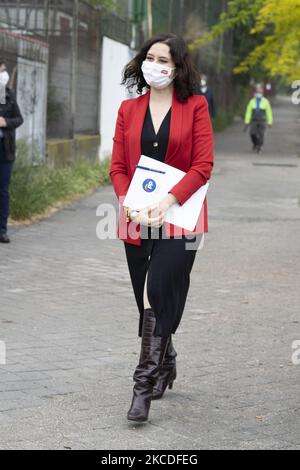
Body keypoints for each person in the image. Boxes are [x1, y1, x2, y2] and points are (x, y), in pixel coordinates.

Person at [109, 33, 214, 423]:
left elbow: (203, 165)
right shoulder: (127, 109)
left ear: (178, 67)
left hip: (180, 217)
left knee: (157, 290)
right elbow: (118, 166)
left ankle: (142, 387)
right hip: (137, 218)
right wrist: (128, 203)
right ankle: (165, 358)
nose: (155, 65)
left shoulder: (196, 107)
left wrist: (168, 200)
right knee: (146, 302)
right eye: (150, 58)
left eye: (164, 60)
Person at [0, 61, 24, 243]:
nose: (4, 74)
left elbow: (19, 119)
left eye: (4, 70)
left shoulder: (9, 95)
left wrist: (6, 123)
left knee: (3, 190)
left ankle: (2, 230)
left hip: (5, 150)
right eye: (1, 70)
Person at [244, 83, 273, 154]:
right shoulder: (252, 101)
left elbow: (269, 112)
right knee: (252, 133)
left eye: (260, 92)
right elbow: (248, 112)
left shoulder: (266, 101)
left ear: (262, 93)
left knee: (261, 134)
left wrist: (270, 122)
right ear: (255, 93)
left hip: (262, 120)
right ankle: (255, 143)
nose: (259, 94)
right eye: (258, 92)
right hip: (254, 120)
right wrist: (247, 121)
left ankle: (259, 146)